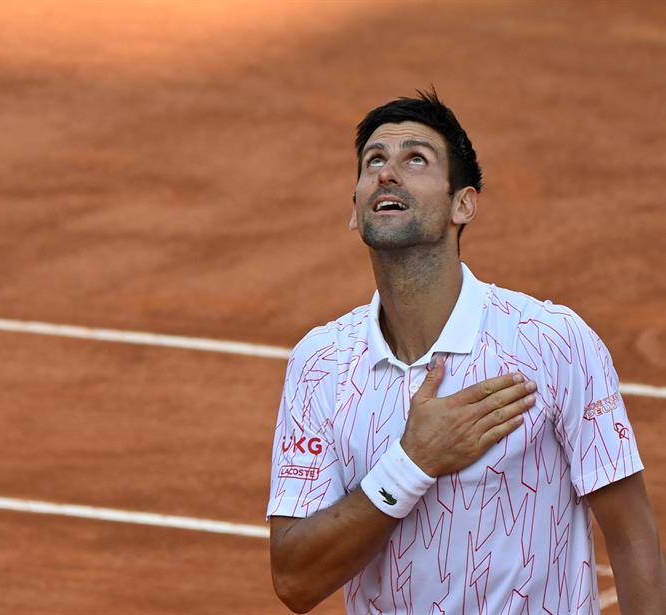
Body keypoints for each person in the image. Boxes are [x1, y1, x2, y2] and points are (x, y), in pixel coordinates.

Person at [266, 90, 666, 614]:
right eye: (374, 161)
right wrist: (413, 463)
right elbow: (294, 580)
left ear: (464, 204)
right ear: (355, 210)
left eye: (416, 159)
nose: (388, 173)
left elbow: (632, 536)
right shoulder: (319, 364)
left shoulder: (552, 341)